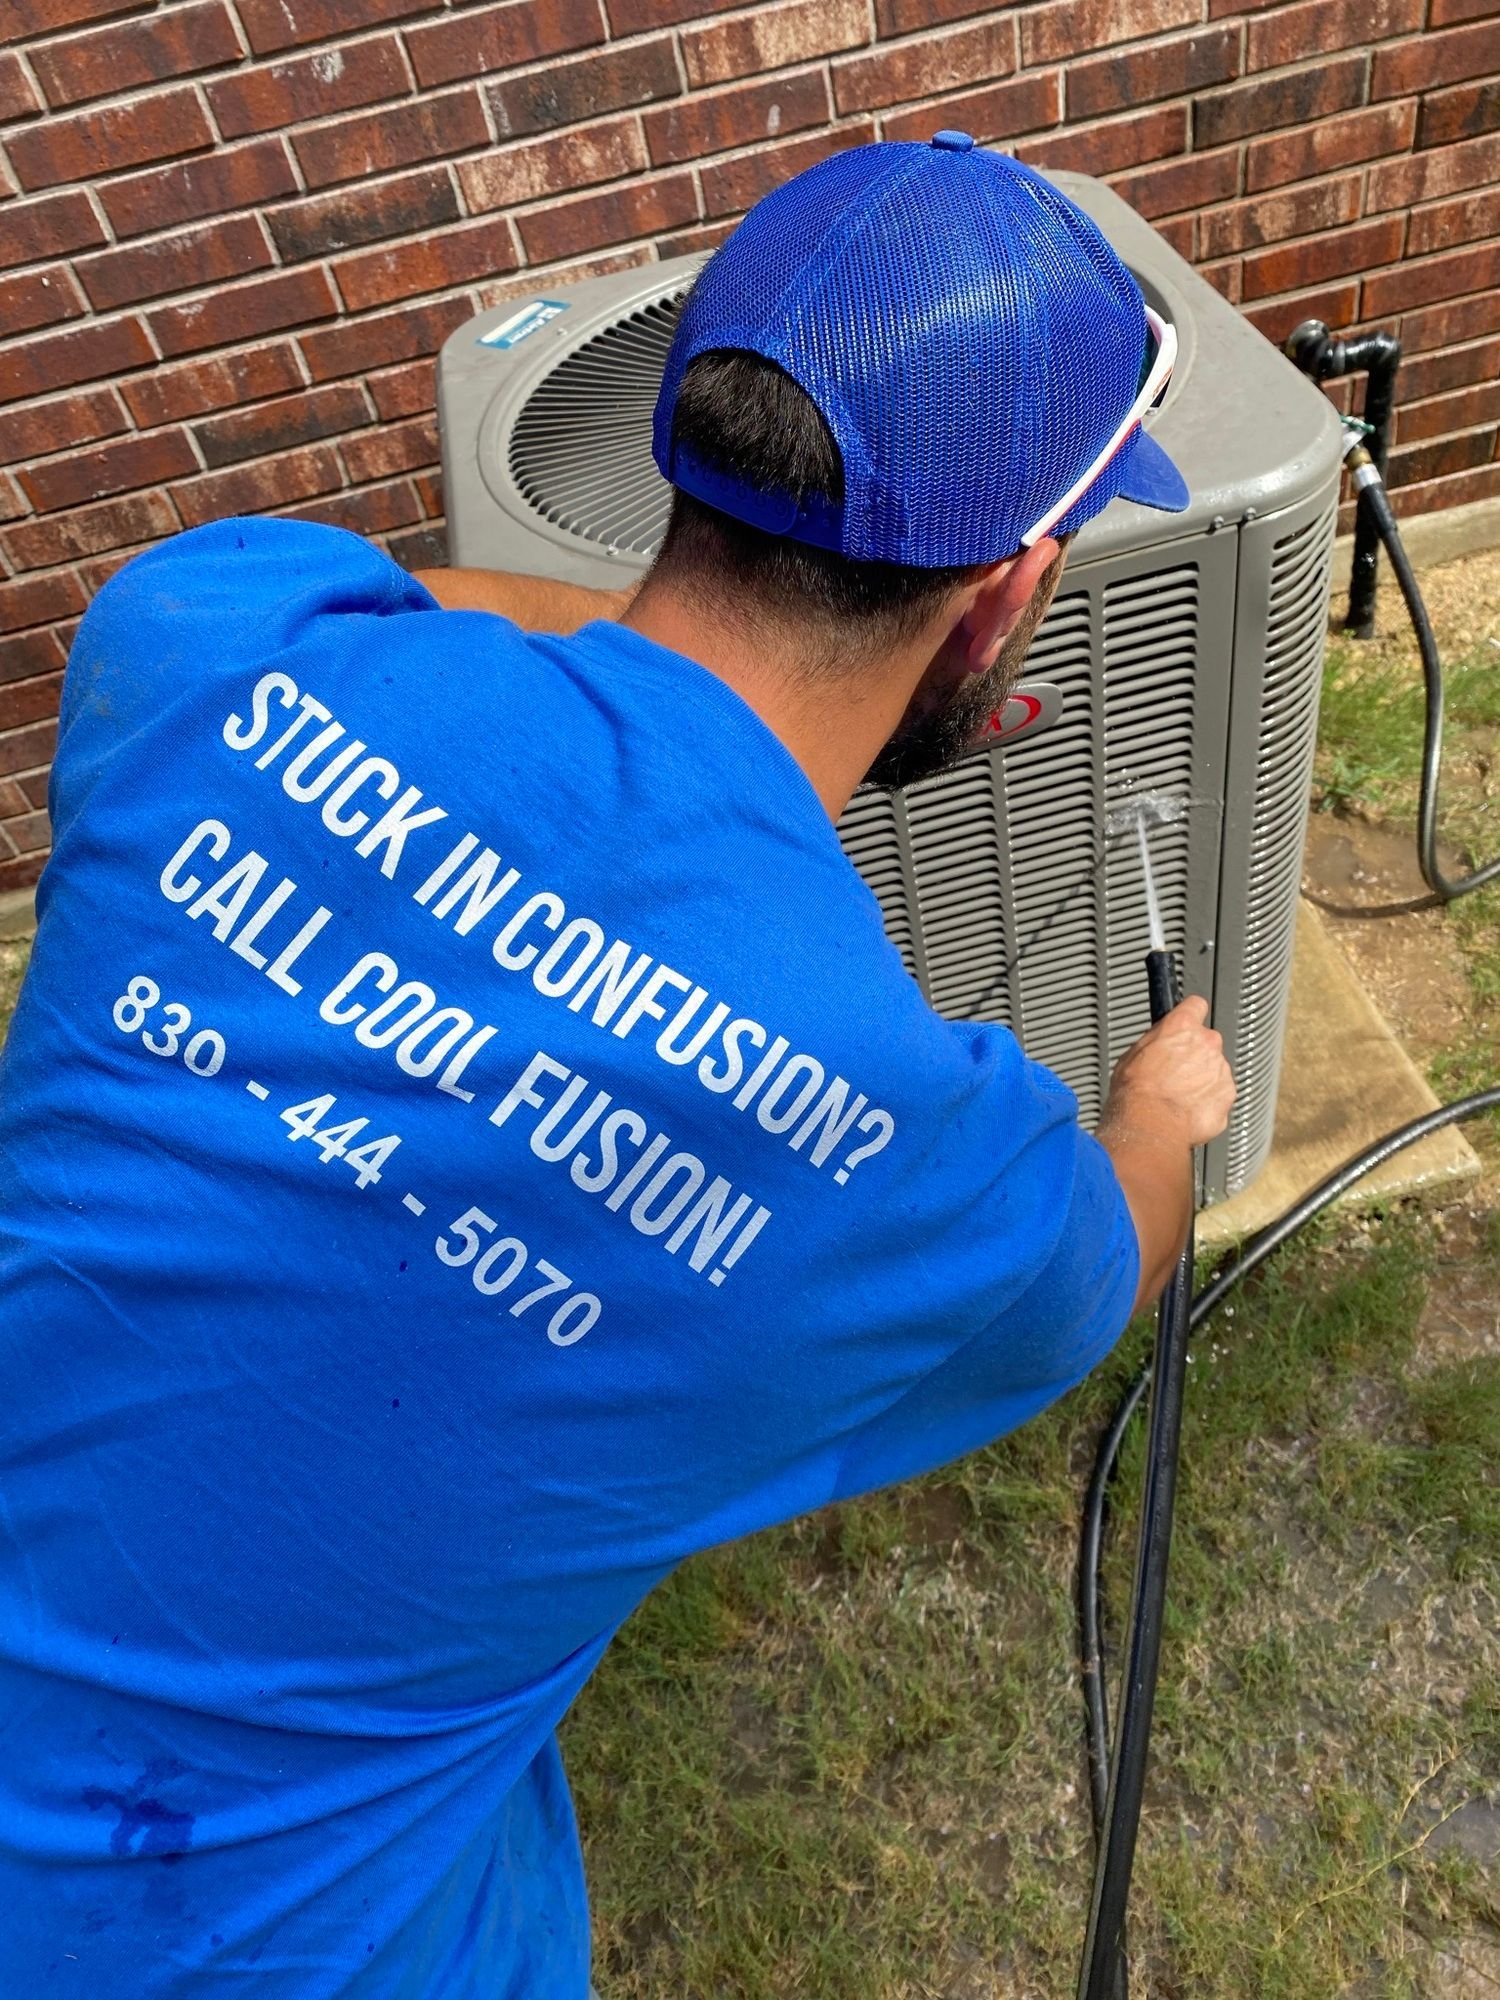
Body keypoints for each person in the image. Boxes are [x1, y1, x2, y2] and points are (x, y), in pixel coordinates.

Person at [0, 137, 1233, 1998]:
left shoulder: (194, 651)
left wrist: (671, 688)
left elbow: (406, 589)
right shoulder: (906, 1150)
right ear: (1006, 602)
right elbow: (1101, 1265)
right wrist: (1162, 1118)